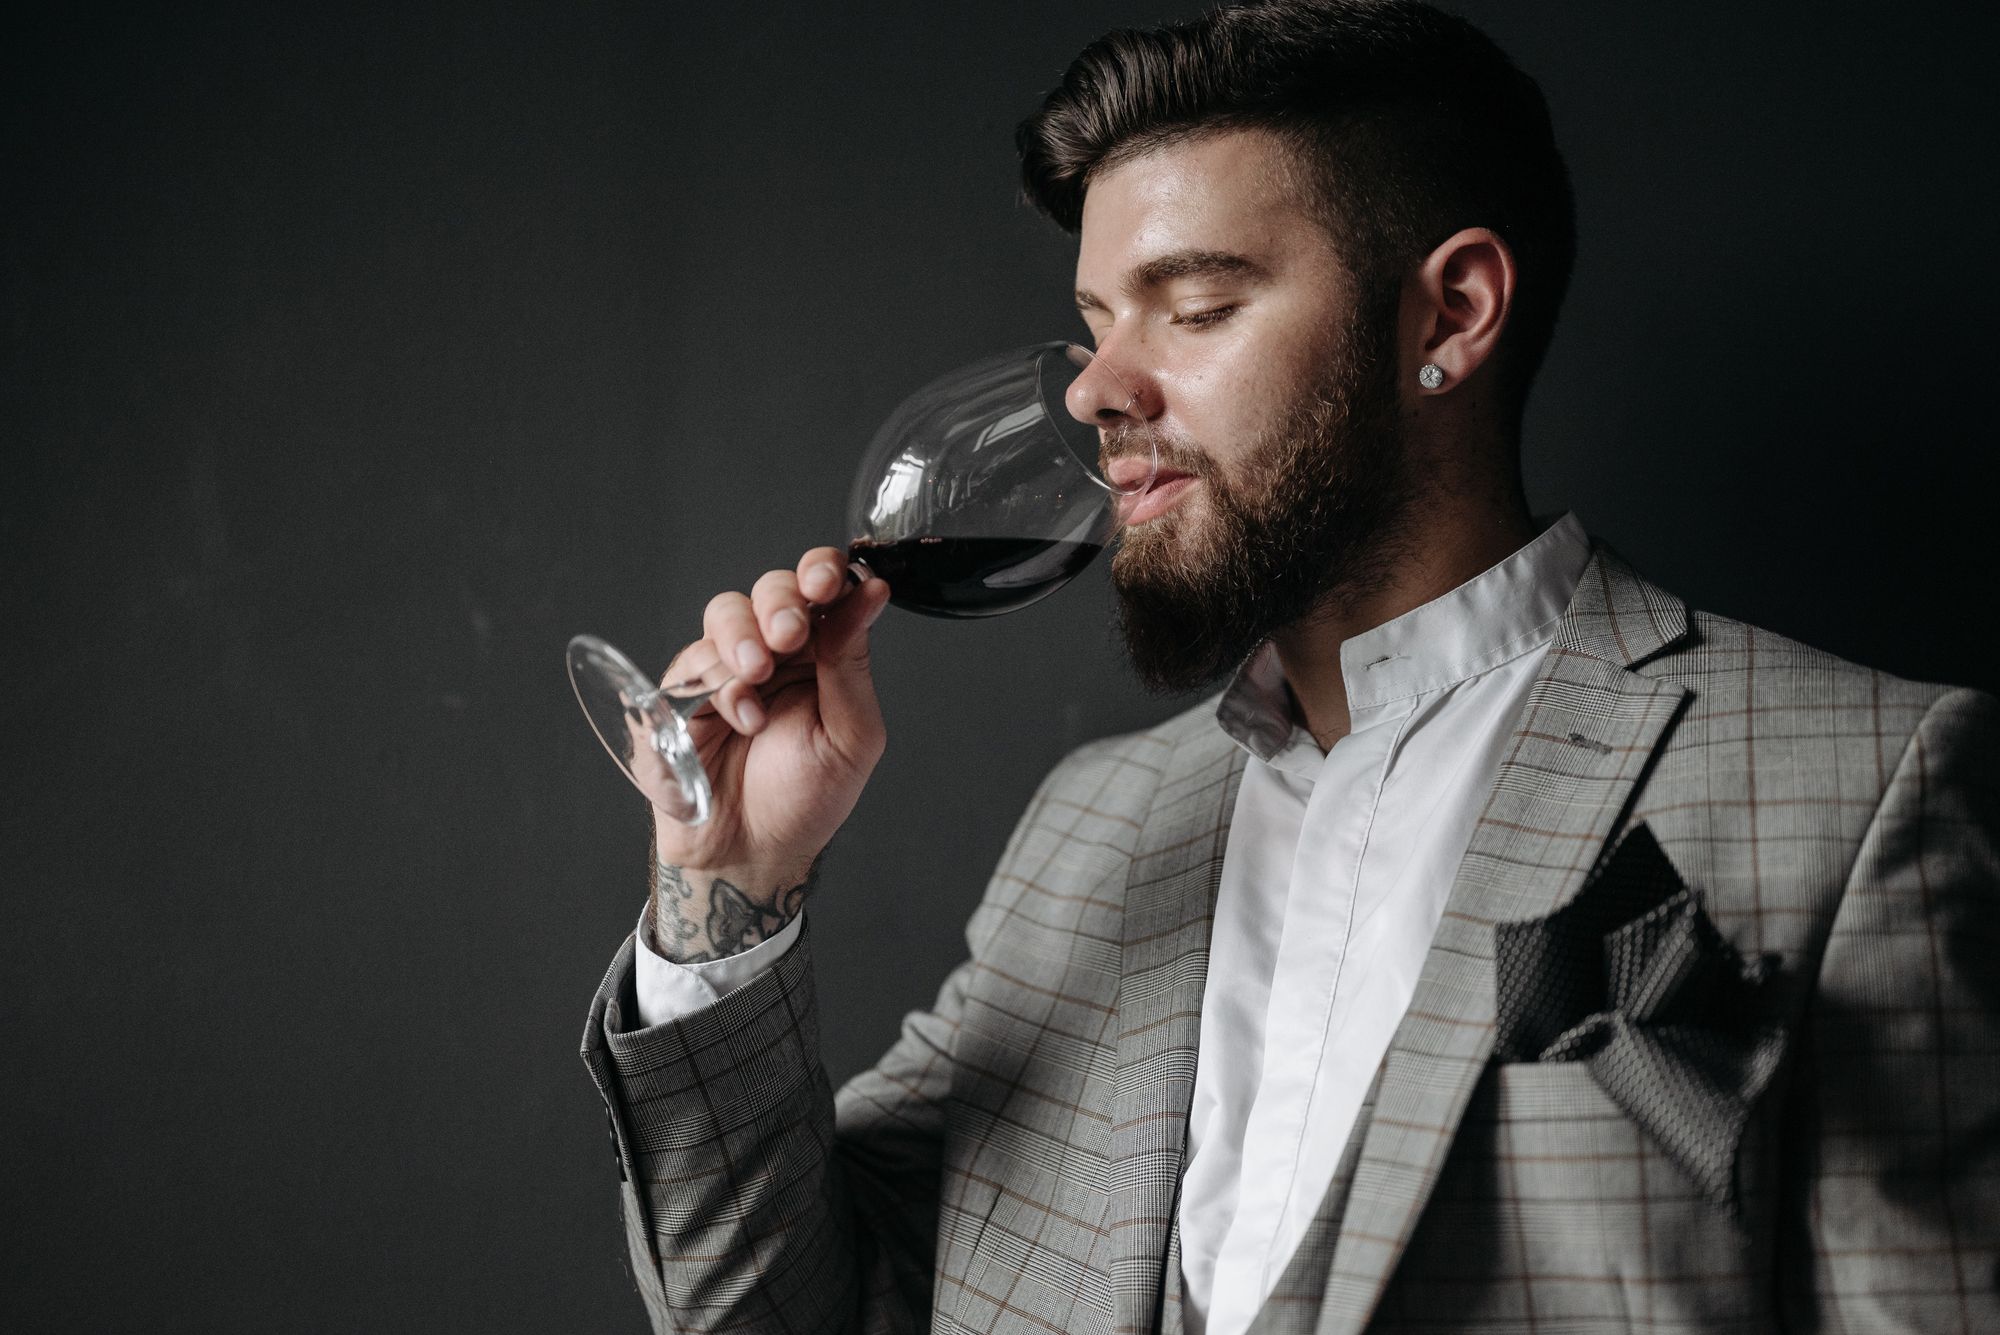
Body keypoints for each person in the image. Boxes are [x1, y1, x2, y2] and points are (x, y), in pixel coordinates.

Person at [579, 2, 2000, 1331]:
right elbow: (785, 1313)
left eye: (1195, 307)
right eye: (1095, 324)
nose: (1095, 389)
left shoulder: (1866, 784)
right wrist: (729, 888)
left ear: (1451, 315)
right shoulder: (1095, 826)